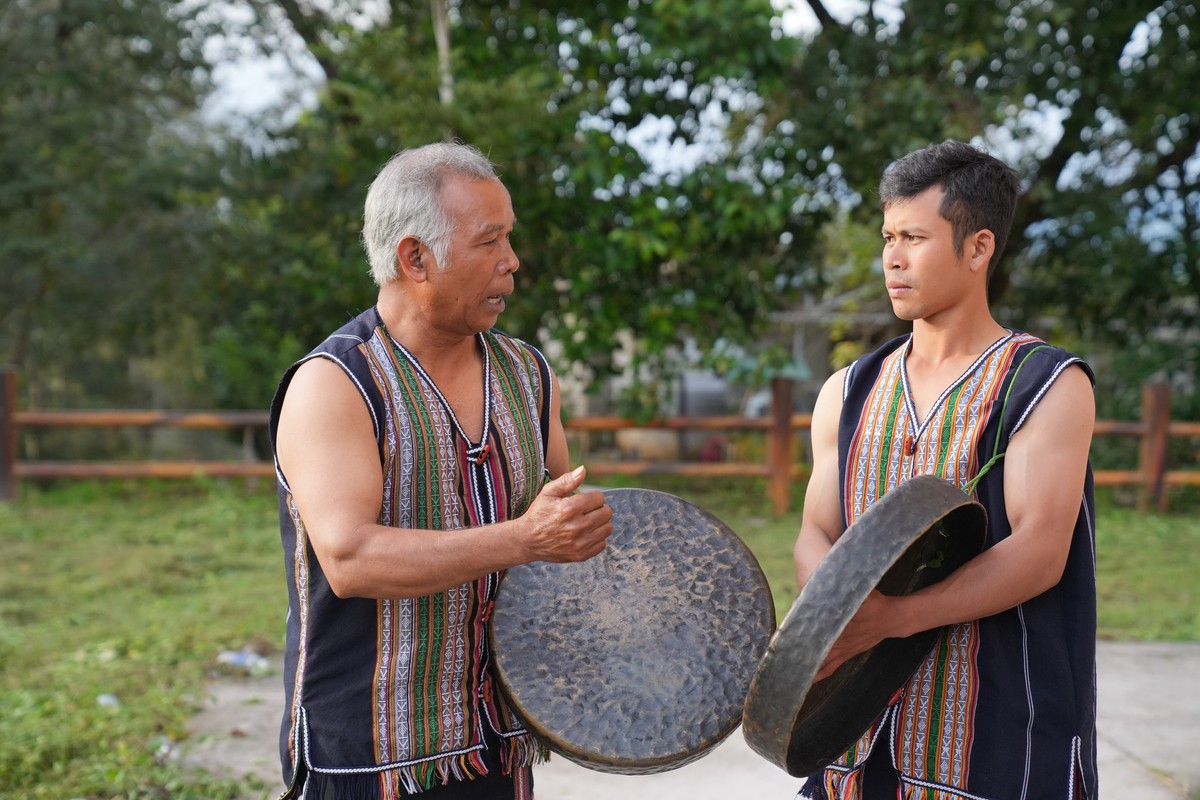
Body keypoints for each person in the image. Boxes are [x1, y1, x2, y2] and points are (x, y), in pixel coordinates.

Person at [268, 141, 614, 800]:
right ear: (414, 257)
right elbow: (350, 559)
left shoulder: (528, 374)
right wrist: (524, 538)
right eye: (490, 242)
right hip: (370, 760)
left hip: (499, 742)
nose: (512, 262)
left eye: (509, 239)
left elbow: (559, 533)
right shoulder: (337, 384)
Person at [793, 140, 1098, 799]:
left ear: (978, 248)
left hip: (996, 745)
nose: (892, 258)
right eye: (887, 237)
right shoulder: (847, 390)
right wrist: (837, 617)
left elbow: (1041, 551)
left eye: (914, 237)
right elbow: (815, 531)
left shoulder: (1044, 385)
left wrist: (893, 618)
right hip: (854, 742)